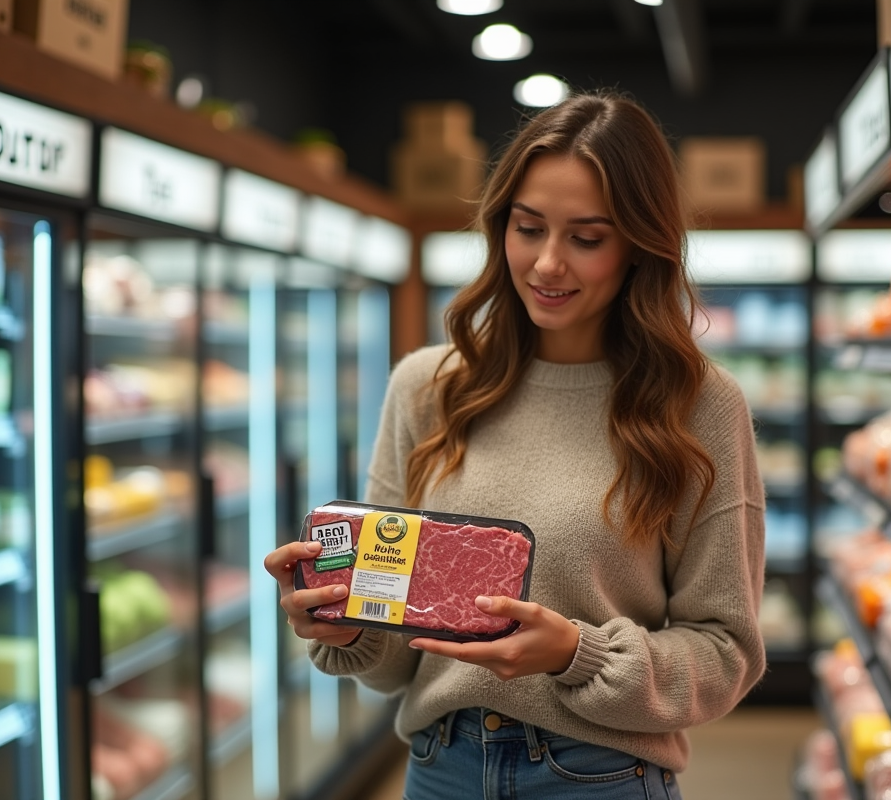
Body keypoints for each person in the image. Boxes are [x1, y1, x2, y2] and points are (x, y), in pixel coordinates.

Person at [264, 91, 766, 800]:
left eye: (586, 238)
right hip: (440, 769)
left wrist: (576, 654)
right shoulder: (425, 388)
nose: (548, 264)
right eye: (528, 229)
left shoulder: (699, 407)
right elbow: (390, 650)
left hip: (599, 778)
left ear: (638, 247)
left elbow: (726, 654)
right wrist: (344, 623)